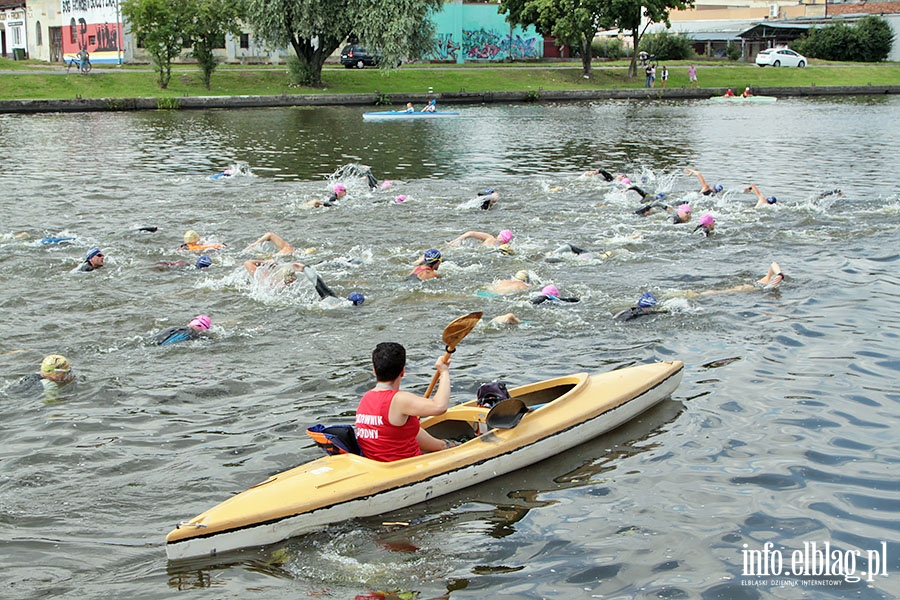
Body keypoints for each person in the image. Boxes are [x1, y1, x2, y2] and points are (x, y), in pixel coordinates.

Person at [354, 342, 458, 462]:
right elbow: (440, 407)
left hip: (376, 464)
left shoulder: (366, 398)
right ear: (403, 371)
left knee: (441, 445)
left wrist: (443, 445)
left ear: (374, 371)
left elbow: (406, 433)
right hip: (404, 466)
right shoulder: (400, 400)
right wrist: (444, 372)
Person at [685, 262, 786, 297]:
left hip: (751, 289)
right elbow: (773, 264)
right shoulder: (768, 279)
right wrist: (779, 275)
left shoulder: (771, 282)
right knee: (722, 292)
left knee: (722, 292)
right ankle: (697, 294)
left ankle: (697, 294)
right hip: (750, 288)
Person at [448, 228, 513, 248]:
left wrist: (455, 241)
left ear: (500, 238)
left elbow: (471, 233)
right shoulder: (508, 248)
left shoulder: (490, 238)